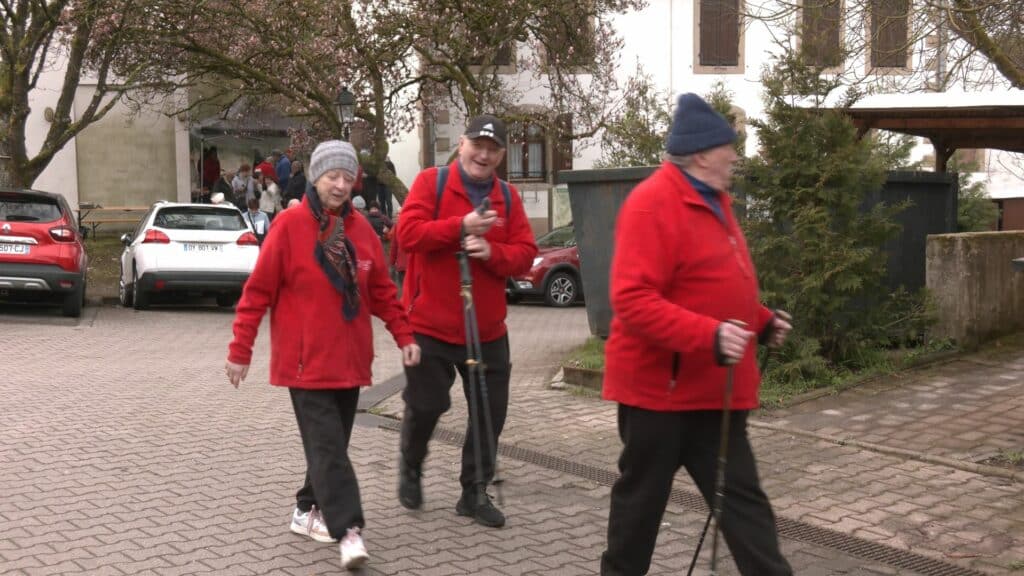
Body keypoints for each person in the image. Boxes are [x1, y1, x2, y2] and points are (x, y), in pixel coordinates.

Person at [599, 93, 794, 576]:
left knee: (745, 504)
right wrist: (707, 336)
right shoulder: (651, 204)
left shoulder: (716, 201)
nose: (736, 156)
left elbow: (715, 286)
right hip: (659, 398)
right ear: (704, 152)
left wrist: (762, 320)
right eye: (731, 147)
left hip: (713, 396)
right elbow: (632, 300)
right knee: (639, 514)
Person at [225, 139, 422, 571]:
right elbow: (257, 292)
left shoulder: (362, 231)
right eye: (332, 175)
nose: (339, 184)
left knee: (329, 446)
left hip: (350, 363)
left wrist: (404, 336)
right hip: (304, 364)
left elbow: (384, 294)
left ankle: (305, 508)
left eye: (347, 177)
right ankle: (348, 530)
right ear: (315, 177)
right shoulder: (290, 226)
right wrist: (241, 349)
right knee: (330, 448)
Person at [395, 114, 538, 528]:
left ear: (502, 155)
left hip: (487, 328)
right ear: (462, 144)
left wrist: (493, 255)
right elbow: (407, 235)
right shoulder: (431, 183)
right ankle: (411, 462)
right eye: (478, 145)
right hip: (430, 324)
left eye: (493, 148)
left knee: (490, 413)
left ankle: (474, 491)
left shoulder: (508, 198)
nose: (484, 154)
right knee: (427, 404)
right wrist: (459, 227)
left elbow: (526, 253)